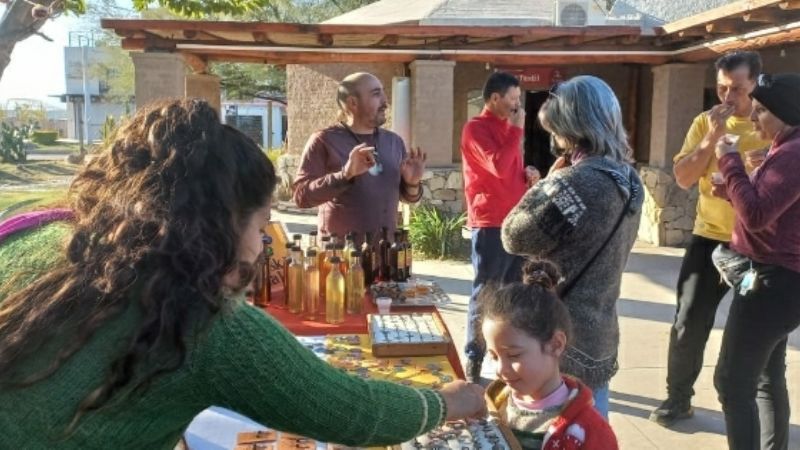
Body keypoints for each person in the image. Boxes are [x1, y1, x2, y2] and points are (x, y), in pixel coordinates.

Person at [0, 99, 485, 448]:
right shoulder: (205, 320)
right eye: (260, 224)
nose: (266, 241)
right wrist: (445, 403)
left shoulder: (34, 231)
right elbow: (355, 413)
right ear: (220, 226)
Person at [501, 75, 643, 419]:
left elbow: (513, 235)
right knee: (592, 427)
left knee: (557, 429)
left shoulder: (576, 182)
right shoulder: (631, 179)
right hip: (602, 330)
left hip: (559, 336)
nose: (555, 140)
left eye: (556, 131)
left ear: (572, 126)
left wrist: (546, 184)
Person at [650, 51, 770, 427]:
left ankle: (755, 407)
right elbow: (684, 178)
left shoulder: (771, 125)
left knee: (757, 334)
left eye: (736, 88)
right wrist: (712, 140)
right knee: (688, 321)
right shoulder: (704, 122)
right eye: (721, 87)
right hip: (709, 238)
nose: (727, 96)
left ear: (755, 84)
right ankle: (678, 398)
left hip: (758, 245)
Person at [712, 73, 800, 450]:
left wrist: (729, 161)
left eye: (762, 111)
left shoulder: (794, 153)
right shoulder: (786, 149)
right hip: (779, 281)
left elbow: (758, 215)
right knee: (765, 377)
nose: (753, 118)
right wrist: (733, 186)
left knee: (732, 383)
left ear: (787, 114)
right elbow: (770, 212)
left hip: (772, 283)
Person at [481, 259, 619, 450]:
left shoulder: (589, 432)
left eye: (513, 355)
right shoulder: (495, 404)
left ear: (556, 345)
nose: (500, 370)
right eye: (494, 356)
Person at [461, 71, 540, 382]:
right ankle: (474, 358)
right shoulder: (475, 129)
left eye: (519, 100)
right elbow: (495, 165)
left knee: (513, 292)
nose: (517, 106)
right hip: (490, 222)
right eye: (513, 99)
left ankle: (506, 356)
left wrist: (528, 174)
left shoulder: (508, 129)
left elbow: (509, 171)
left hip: (515, 221)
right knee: (486, 292)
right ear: (494, 99)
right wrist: (517, 132)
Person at [293, 72, 425, 242]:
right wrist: (345, 175)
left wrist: (412, 183)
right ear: (352, 103)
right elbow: (301, 197)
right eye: (376, 94)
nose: (385, 102)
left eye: (383, 93)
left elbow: (408, 197)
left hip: (385, 254)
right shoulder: (323, 140)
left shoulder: (394, 141)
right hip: (340, 257)